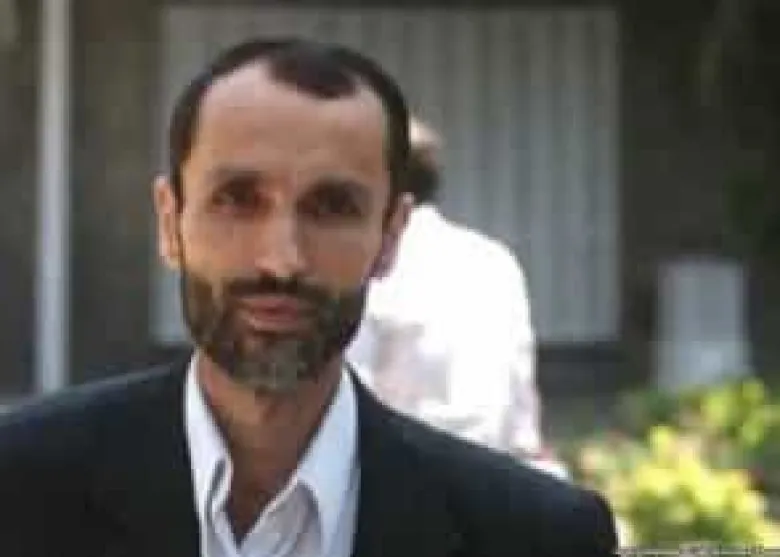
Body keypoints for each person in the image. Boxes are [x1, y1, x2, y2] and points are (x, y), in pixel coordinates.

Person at [0, 38, 617, 556]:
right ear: (170, 221)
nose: (282, 259)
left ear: (389, 236)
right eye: (237, 200)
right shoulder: (20, 487)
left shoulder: (535, 536)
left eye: (332, 207)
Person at [347, 118, 546, 462]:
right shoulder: (493, 259)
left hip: (404, 469)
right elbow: (520, 386)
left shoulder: (371, 266)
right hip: (496, 465)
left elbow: (350, 393)